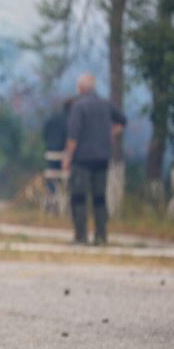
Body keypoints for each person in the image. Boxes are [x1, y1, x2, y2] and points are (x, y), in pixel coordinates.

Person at [61, 73, 126, 245]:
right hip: (102, 158)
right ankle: (101, 236)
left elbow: (72, 136)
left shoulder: (79, 106)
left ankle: (80, 236)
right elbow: (122, 122)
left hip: (82, 159)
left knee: (78, 197)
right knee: (99, 198)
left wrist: (67, 157)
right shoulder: (106, 104)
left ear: (81, 88)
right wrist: (110, 133)